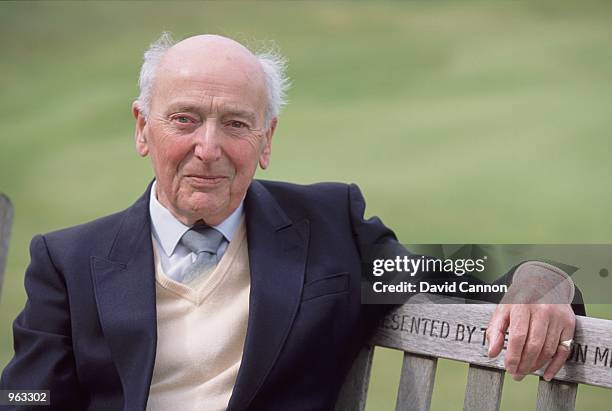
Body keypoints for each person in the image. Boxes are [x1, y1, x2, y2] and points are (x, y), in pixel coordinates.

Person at [0, 33, 583, 411]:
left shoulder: (330, 227)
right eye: (185, 119)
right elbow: (25, 394)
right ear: (141, 128)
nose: (209, 147)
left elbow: (458, 277)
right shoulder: (69, 259)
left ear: (267, 139)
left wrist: (542, 277)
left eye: (235, 123)